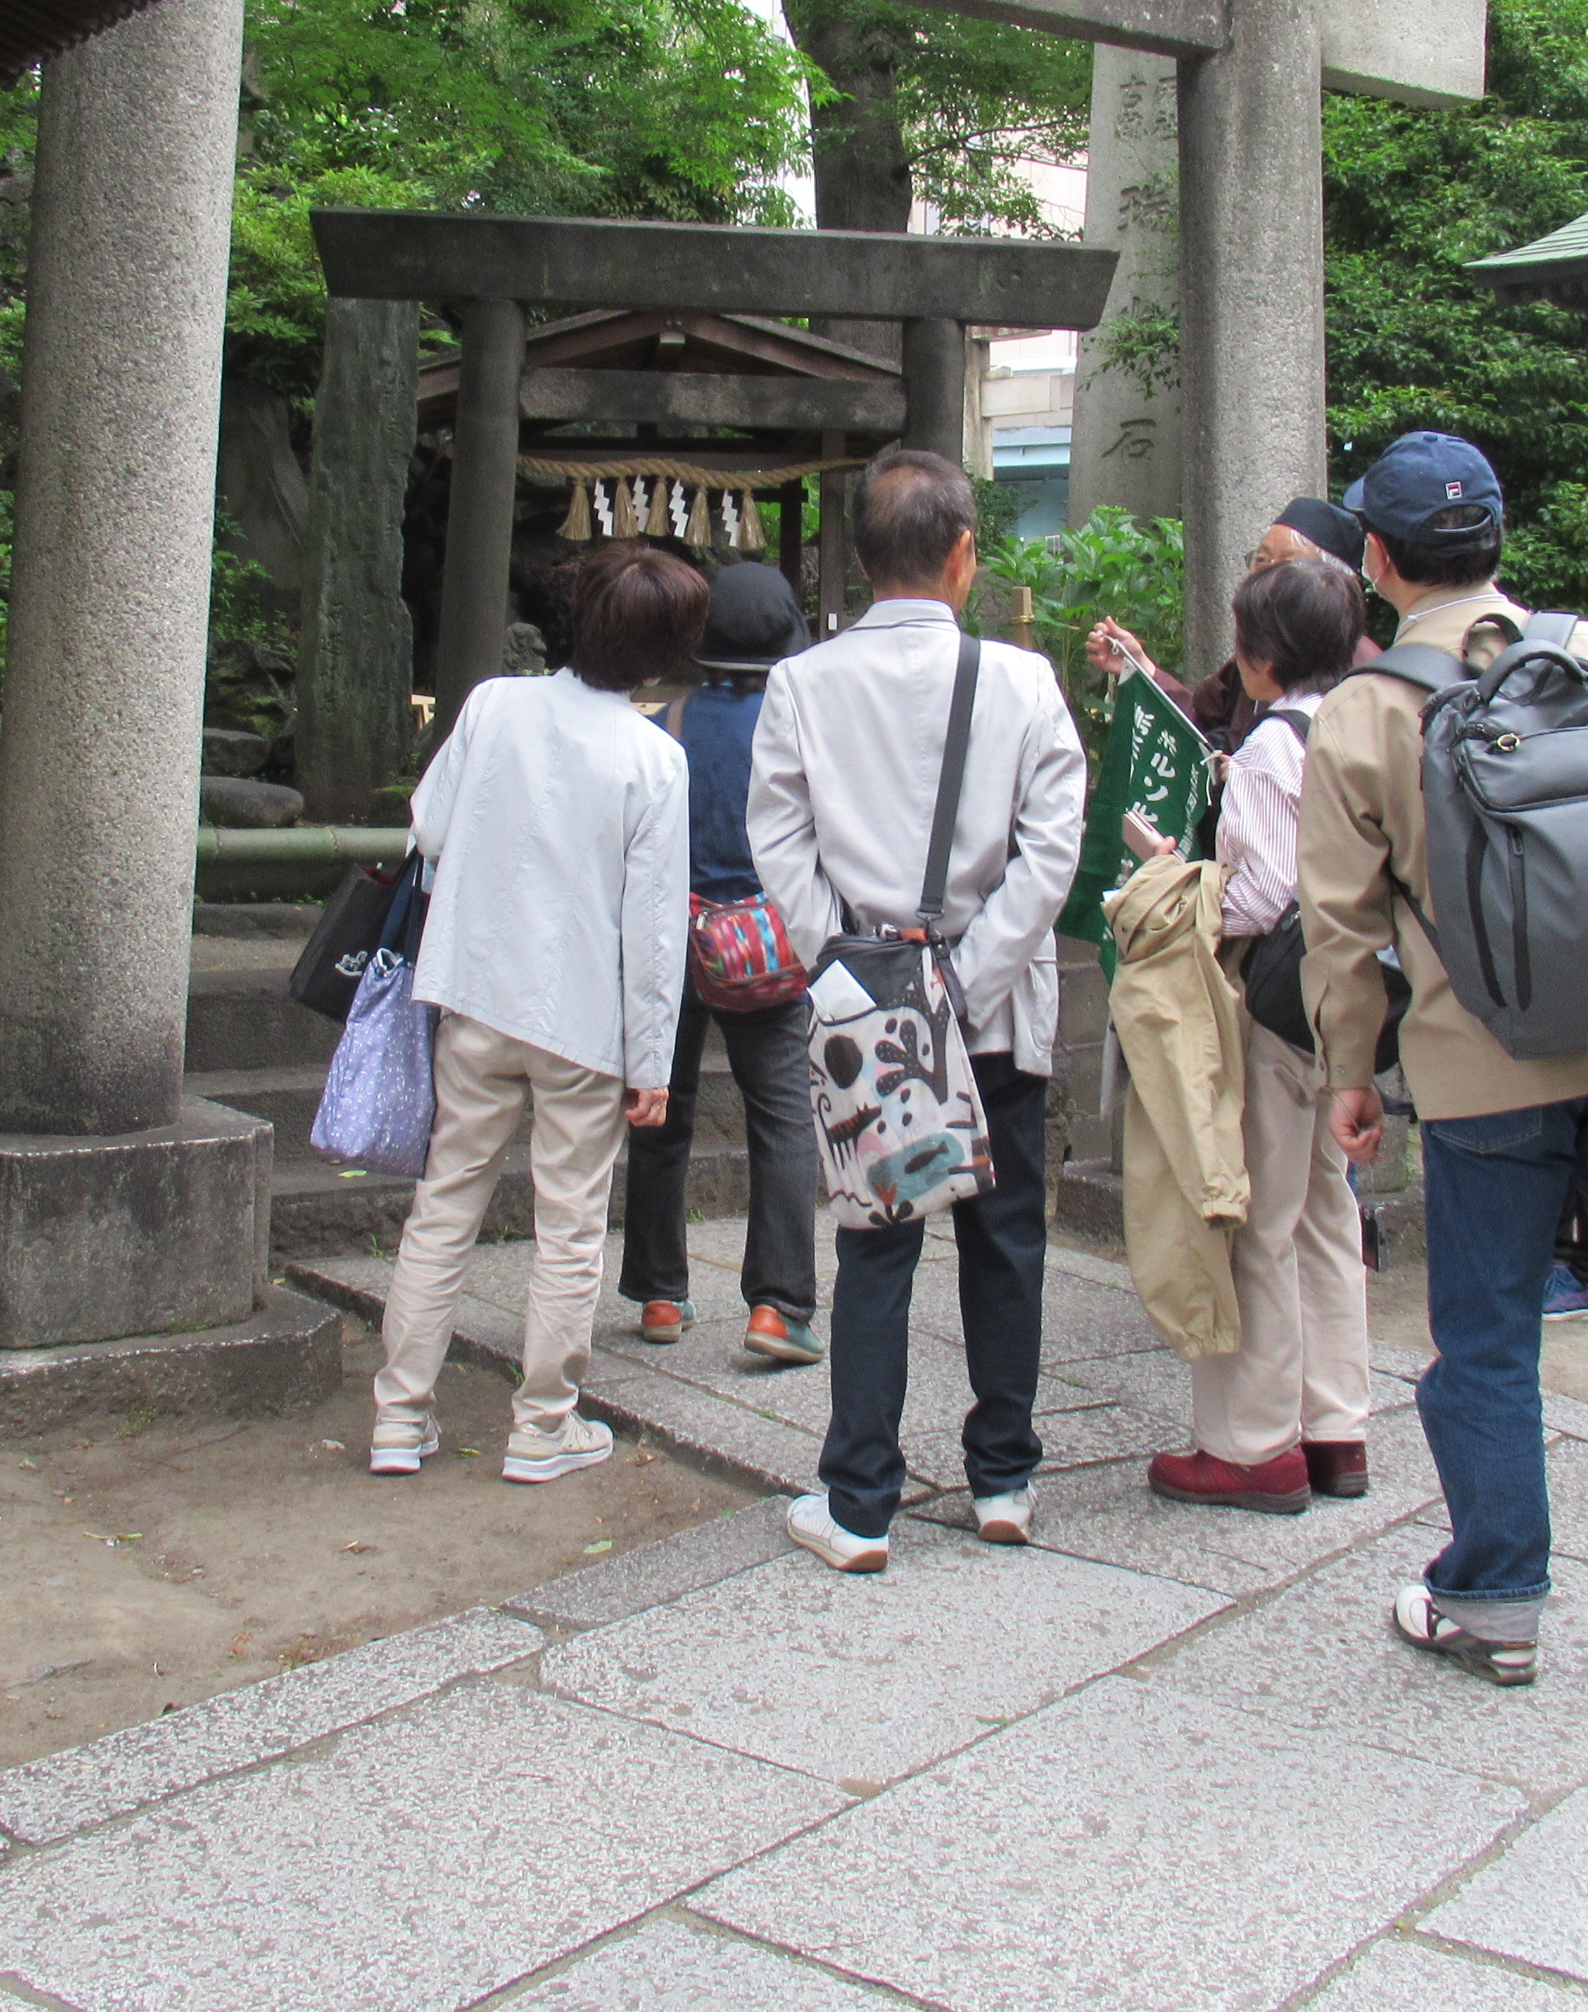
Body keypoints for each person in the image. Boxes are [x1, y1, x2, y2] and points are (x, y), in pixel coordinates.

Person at [1295, 431, 1588, 1687]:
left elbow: (1342, 926)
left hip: (1481, 1064)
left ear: (1379, 560)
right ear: (1499, 540)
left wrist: (1354, 1072)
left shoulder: (1366, 710)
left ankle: (1497, 1600)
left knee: (1490, 1333)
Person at [747, 447, 1089, 1571]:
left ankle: (858, 1502)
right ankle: (1004, 1477)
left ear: (859, 555)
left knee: (878, 1241)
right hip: (991, 1017)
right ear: (962, 558)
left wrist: (842, 965)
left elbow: (780, 842)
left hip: (869, 1012)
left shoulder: (803, 681)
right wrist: (974, 972)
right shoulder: (1024, 683)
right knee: (1007, 1238)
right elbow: (1052, 854)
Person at [370, 545, 699, 1484]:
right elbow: (654, 931)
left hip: (474, 995)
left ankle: (399, 1418)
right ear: (662, 653)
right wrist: (653, 1064)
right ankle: (542, 1427)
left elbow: (429, 827)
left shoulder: (491, 704)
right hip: (584, 1025)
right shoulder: (654, 758)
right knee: (569, 1226)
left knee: (444, 1205)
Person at [1135, 556, 1378, 1511]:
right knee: (1326, 1211)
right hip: (1345, 1007)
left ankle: (1254, 1445)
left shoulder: (1273, 747)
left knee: (1260, 1223)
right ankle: (1336, 1425)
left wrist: (1179, 872)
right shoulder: (1349, 727)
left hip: (1276, 1006)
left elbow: (1265, 896)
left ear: (1258, 655)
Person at [619, 560, 826, 1363]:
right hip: (764, 955)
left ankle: (662, 1295)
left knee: (659, 1111)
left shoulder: (663, 723)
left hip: (671, 947)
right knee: (780, 1119)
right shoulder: (796, 730)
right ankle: (777, 1307)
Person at [1086, 495, 1378, 752]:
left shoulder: (1363, 673)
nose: (1268, 577)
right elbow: (1200, 726)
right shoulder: (1256, 655)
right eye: (1262, 561)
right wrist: (1141, 667)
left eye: (1290, 565)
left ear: (1331, 582)